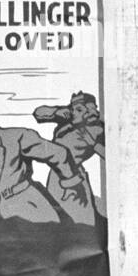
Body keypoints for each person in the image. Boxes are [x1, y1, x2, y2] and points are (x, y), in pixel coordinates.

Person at [33, 91, 104, 225]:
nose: (73, 112)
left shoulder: (97, 129)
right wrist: (57, 112)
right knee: (56, 220)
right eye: (72, 108)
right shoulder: (67, 119)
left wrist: (92, 143)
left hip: (74, 178)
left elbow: (110, 156)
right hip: (55, 175)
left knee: (81, 221)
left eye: (78, 109)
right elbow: (38, 113)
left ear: (90, 111)